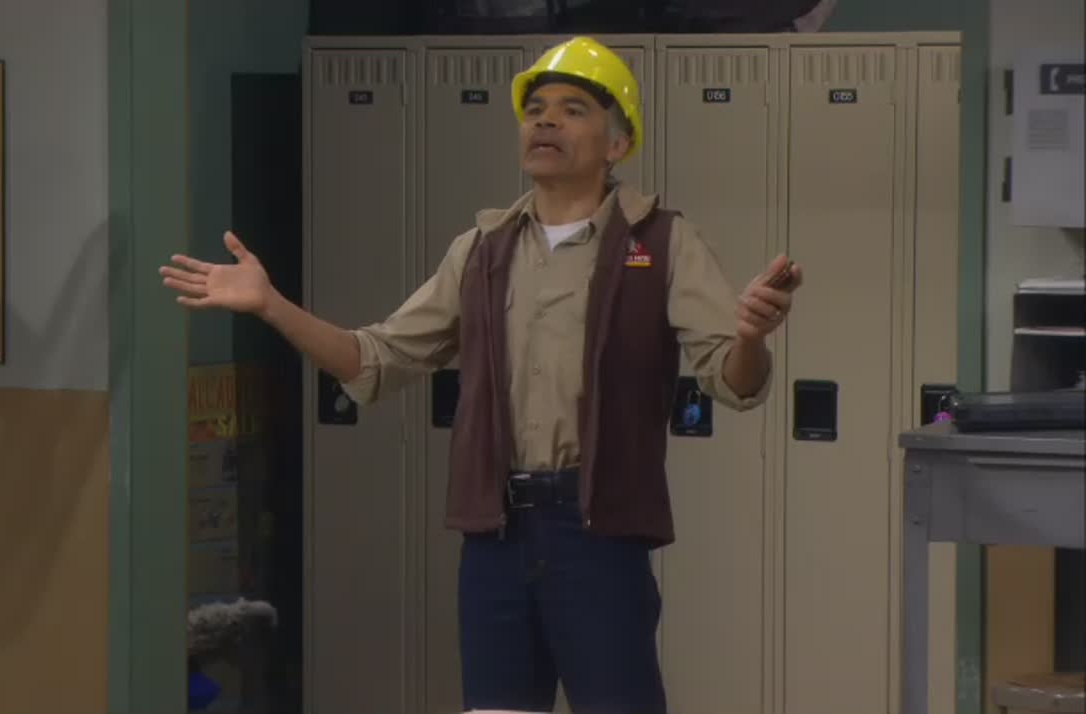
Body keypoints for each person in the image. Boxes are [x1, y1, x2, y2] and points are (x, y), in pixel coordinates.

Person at [160, 36, 803, 714]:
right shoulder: (480, 251)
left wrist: (751, 336)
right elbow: (371, 360)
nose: (546, 120)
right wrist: (270, 305)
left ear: (617, 144)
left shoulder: (663, 242)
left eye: (573, 109)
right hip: (496, 535)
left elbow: (735, 381)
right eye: (536, 109)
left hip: (599, 533)